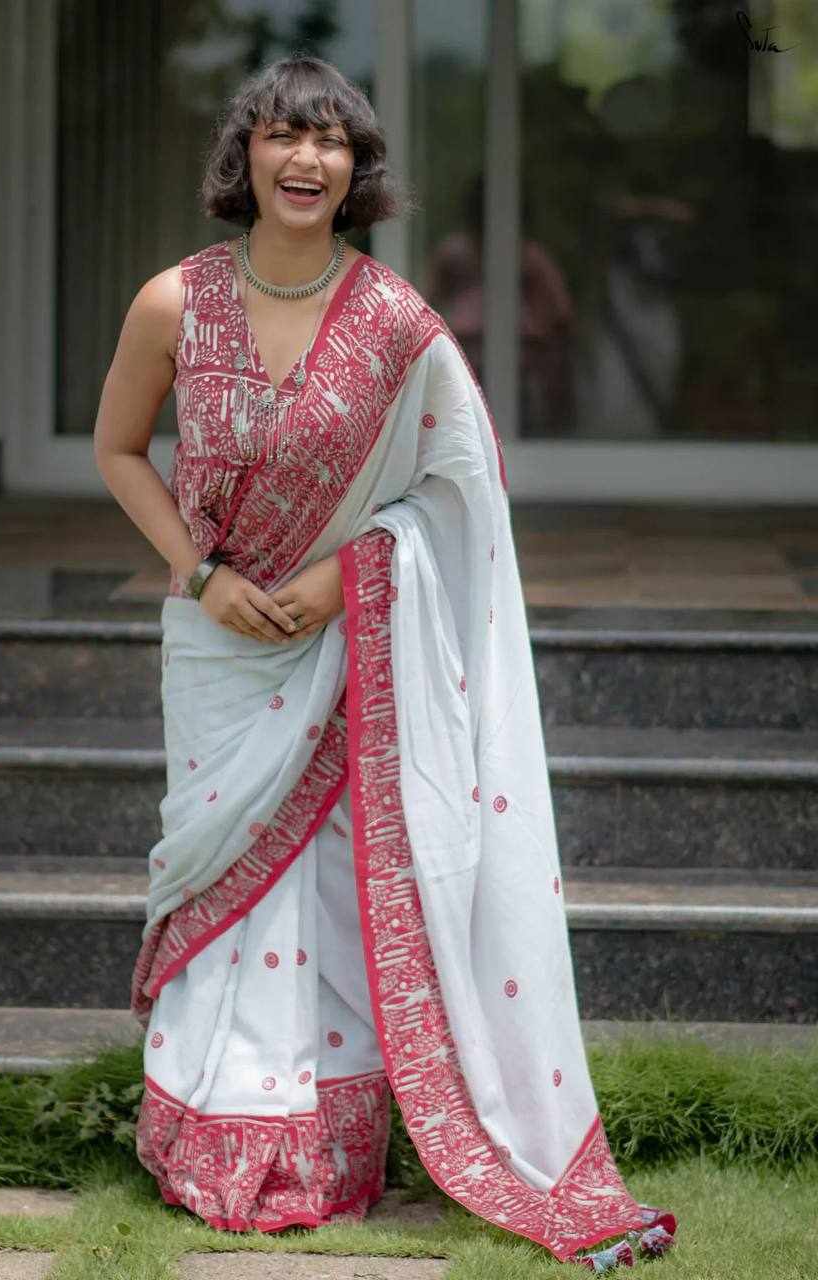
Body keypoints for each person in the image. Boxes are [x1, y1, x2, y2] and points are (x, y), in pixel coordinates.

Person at [93, 54, 677, 1270]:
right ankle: (213, 1136)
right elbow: (118, 450)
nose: (306, 158)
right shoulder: (173, 301)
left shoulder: (401, 325)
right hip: (214, 648)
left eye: (332, 141)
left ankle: (323, 1142)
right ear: (245, 155)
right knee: (226, 878)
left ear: (357, 170)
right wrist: (202, 574)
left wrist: (347, 573)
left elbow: (460, 493)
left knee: (320, 892)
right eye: (283, 134)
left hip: (341, 643)